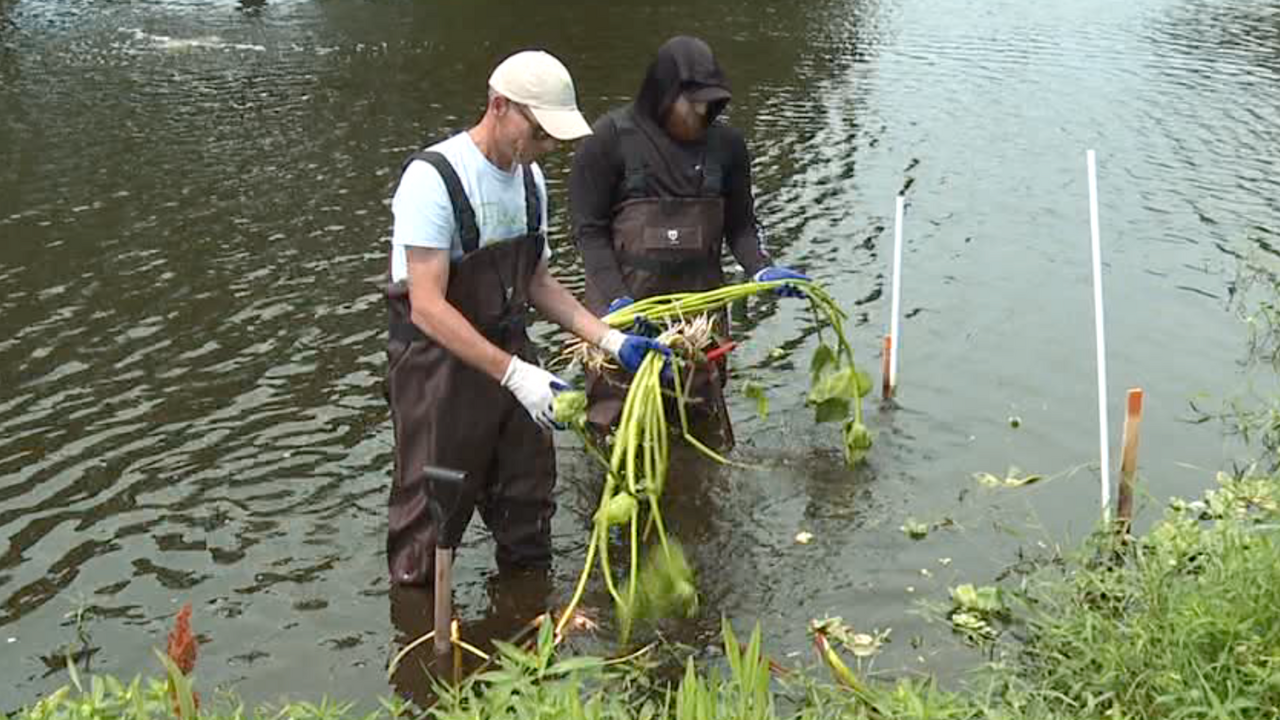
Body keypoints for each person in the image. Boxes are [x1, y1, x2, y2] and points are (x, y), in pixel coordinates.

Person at [384, 49, 670, 586]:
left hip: (511, 351)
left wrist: (609, 340)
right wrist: (515, 374)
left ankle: (526, 626)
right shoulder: (434, 178)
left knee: (528, 502)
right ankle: (423, 648)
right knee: (431, 520)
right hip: (435, 372)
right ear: (499, 107)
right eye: (538, 133)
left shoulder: (529, 181)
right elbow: (426, 305)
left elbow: (536, 281)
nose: (546, 148)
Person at [569, 35, 810, 451]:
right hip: (626, 312)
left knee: (700, 425)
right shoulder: (608, 140)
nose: (701, 116)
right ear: (661, 95)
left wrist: (761, 268)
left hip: (698, 320)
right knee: (619, 432)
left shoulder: (728, 147)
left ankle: (699, 500)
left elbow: (741, 226)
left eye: (709, 108)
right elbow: (588, 233)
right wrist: (617, 303)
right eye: (692, 106)